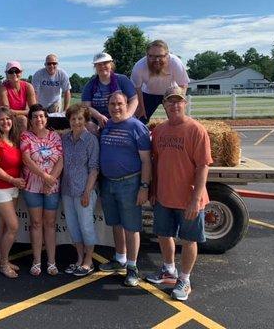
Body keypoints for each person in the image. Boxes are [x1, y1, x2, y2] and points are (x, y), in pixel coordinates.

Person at [145, 86, 212, 301]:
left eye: (178, 101)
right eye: (170, 101)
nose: (174, 105)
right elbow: (155, 163)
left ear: (185, 103)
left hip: (189, 199)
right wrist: (154, 189)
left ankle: (185, 279)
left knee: (189, 239)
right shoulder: (159, 131)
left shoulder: (196, 130)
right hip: (164, 196)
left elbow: (203, 166)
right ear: (163, 105)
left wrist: (195, 199)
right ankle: (168, 270)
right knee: (164, 234)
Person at [98, 91, 152, 287]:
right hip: (108, 182)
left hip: (129, 182)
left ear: (127, 104)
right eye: (112, 104)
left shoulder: (137, 127)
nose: (116, 107)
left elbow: (146, 160)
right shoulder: (107, 125)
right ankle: (119, 258)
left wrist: (144, 186)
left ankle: (132, 266)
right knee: (116, 224)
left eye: (119, 104)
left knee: (131, 226)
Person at [20, 104, 64, 276]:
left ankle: (51, 262)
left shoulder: (55, 136)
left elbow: (60, 159)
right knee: (36, 223)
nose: (39, 119)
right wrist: (45, 177)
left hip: (52, 187)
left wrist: (50, 179)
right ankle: (37, 261)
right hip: (32, 187)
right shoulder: (26, 136)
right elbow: (26, 159)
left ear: (46, 118)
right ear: (30, 120)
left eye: (42, 116)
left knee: (50, 223)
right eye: (35, 116)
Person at [0, 106, 26, 278]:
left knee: (3, 225)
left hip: (13, 188)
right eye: (1, 119)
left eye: (8, 119)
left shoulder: (14, 139)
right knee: (13, 226)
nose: (5, 122)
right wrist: (13, 180)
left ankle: (2, 258)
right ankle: (2, 263)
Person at [61, 104, 99, 277]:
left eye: (80, 119)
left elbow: (94, 169)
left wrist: (87, 192)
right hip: (67, 191)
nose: (76, 122)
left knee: (86, 227)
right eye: (73, 118)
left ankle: (88, 260)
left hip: (84, 191)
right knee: (73, 227)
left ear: (85, 120)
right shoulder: (64, 139)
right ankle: (78, 259)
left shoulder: (91, 140)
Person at [131, 40, 189, 124]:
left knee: (177, 118)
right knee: (139, 119)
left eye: (160, 56)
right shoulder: (139, 66)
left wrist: (178, 103)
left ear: (167, 54)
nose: (156, 60)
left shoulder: (175, 62)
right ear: (147, 55)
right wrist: (140, 107)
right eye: (152, 56)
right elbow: (137, 88)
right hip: (148, 93)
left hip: (170, 93)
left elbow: (183, 84)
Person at [82, 52, 137, 133]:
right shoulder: (90, 84)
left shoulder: (122, 80)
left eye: (105, 63)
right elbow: (86, 106)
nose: (102, 66)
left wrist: (127, 115)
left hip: (122, 116)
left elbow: (134, 99)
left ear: (111, 64)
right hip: (99, 120)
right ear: (95, 67)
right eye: (99, 64)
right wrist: (98, 116)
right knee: (89, 127)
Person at [0, 61, 37, 130]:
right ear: (6, 74)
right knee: (22, 119)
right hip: (4, 117)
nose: (14, 74)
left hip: (19, 115)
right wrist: (26, 112)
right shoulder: (2, 88)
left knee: (36, 119)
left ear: (21, 73)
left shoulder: (28, 86)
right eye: (11, 72)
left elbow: (34, 109)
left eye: (17, 71)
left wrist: (16, 112)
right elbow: (6, 111)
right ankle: (23, 140)